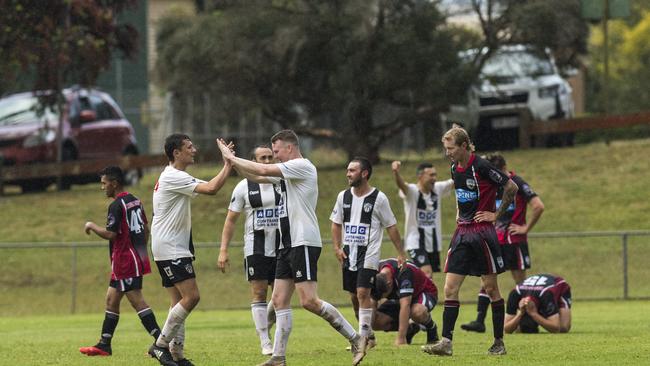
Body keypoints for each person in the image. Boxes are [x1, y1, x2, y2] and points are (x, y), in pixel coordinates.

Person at [217, 130, 367, 366]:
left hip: (303, 241)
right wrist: (230, 161)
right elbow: (255, 176)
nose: (274, 156)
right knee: (278, 300)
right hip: (287, 244)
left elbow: (263, 170)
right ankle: (278, 357)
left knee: (309, 301)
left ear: (289, 148)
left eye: (276, 152)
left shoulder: (301, 166)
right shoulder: (286, 173)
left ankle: (356, 338)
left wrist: (232, 158)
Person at [422, 126, 518, 357]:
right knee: (450, 288)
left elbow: (511, 187)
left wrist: (496, 214)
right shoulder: (455, 168)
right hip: (462, 232)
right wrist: (458, 210)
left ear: (464, 146)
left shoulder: (482, 166)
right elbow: (460, 192)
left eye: (451, 148)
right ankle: (446, 342)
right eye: (446, 148)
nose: (448, 153)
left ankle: (498, 342)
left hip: (483, 233)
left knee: (491, 287)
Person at [148, 134, 232, 366]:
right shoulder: (174, 177)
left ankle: (177, 355)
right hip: (171, 247)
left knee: (178, 302)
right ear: (176, 153)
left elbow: (207, 186)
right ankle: (159, 346)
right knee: (192, 297)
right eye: (189, 147)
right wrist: (228, 163)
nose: (194, 150)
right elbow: (212, 188)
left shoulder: (175, 176)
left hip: (168, 246)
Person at [79, 166, 161, 357]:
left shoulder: (116, 205)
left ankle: (162, 341)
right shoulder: (135, 200)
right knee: (111, 299)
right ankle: (104, 344)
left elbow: (111, 234)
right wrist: (140, 251)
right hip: (133, 258)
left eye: (104, 183)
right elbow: (146, 229)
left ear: (114, 183)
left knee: (137, 301)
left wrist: (91, 225)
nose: (103, 187)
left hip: (125, 261)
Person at [462, 153, 545, 333]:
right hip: (495, 239)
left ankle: (524, 320)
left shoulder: (517, 183)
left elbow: (538, 205)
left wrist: (525, 228)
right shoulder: (493, 184)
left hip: (513, 240)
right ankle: (479, 321)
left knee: (520, 282)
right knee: (486, 279)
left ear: (502, 170)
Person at [330, 157, 407, 348]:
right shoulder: (343, 197)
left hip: (369, 255)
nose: (348, 174)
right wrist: (337, 248)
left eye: (352, 170)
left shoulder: (378, 198)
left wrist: (401, 252)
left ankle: (362, 339)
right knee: (354, 297)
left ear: (364, 173)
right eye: (347, 170)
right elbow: (336, 224)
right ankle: (369, 335)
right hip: (349, 255)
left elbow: (391, 226)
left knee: (363, 292)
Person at [218, 145, 279, 356]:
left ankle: (266, 325)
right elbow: (230, 221)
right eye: (262, 157)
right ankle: (264, 340)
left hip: (283, 246)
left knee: (281, 295)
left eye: (270, 157)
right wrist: (223, 250)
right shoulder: (244, 187)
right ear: (253, 160)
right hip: (256, 247)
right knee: (259, 292)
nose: (267, 161)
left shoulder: (282, 182)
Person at [391, 161, 453, 279]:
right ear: (420, 176)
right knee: (426, 273)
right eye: (431, 175)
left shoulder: (437, 189)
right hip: (415, 242)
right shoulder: (413, 191)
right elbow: (402, 186)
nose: (434, 178)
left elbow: (455, 182)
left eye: (435, 175)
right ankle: (423, 297)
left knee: (425, 277)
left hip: (433, 243)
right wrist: (396, 173)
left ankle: (420, 296)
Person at [371, 258, 439, 346]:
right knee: (376, 322)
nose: (380, 299)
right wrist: (367, 336)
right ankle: (410, 329)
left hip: (423, 292)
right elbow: (372, 302)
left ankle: (431, 327)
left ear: (389, 283)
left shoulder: (404, 272)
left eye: (381, 296)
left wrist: (401, 339)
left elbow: (405, 305)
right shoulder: (374, 271)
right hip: (400, 298)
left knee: (417, 312)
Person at [504, 274, 572, 334]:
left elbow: (556, 328)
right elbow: (506, 329)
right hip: (538, 290)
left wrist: (534, 314)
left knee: (563, 328)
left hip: (560, 285)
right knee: (518, 329)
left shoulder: (546, 295)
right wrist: (520, 314)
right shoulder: (515, 294)